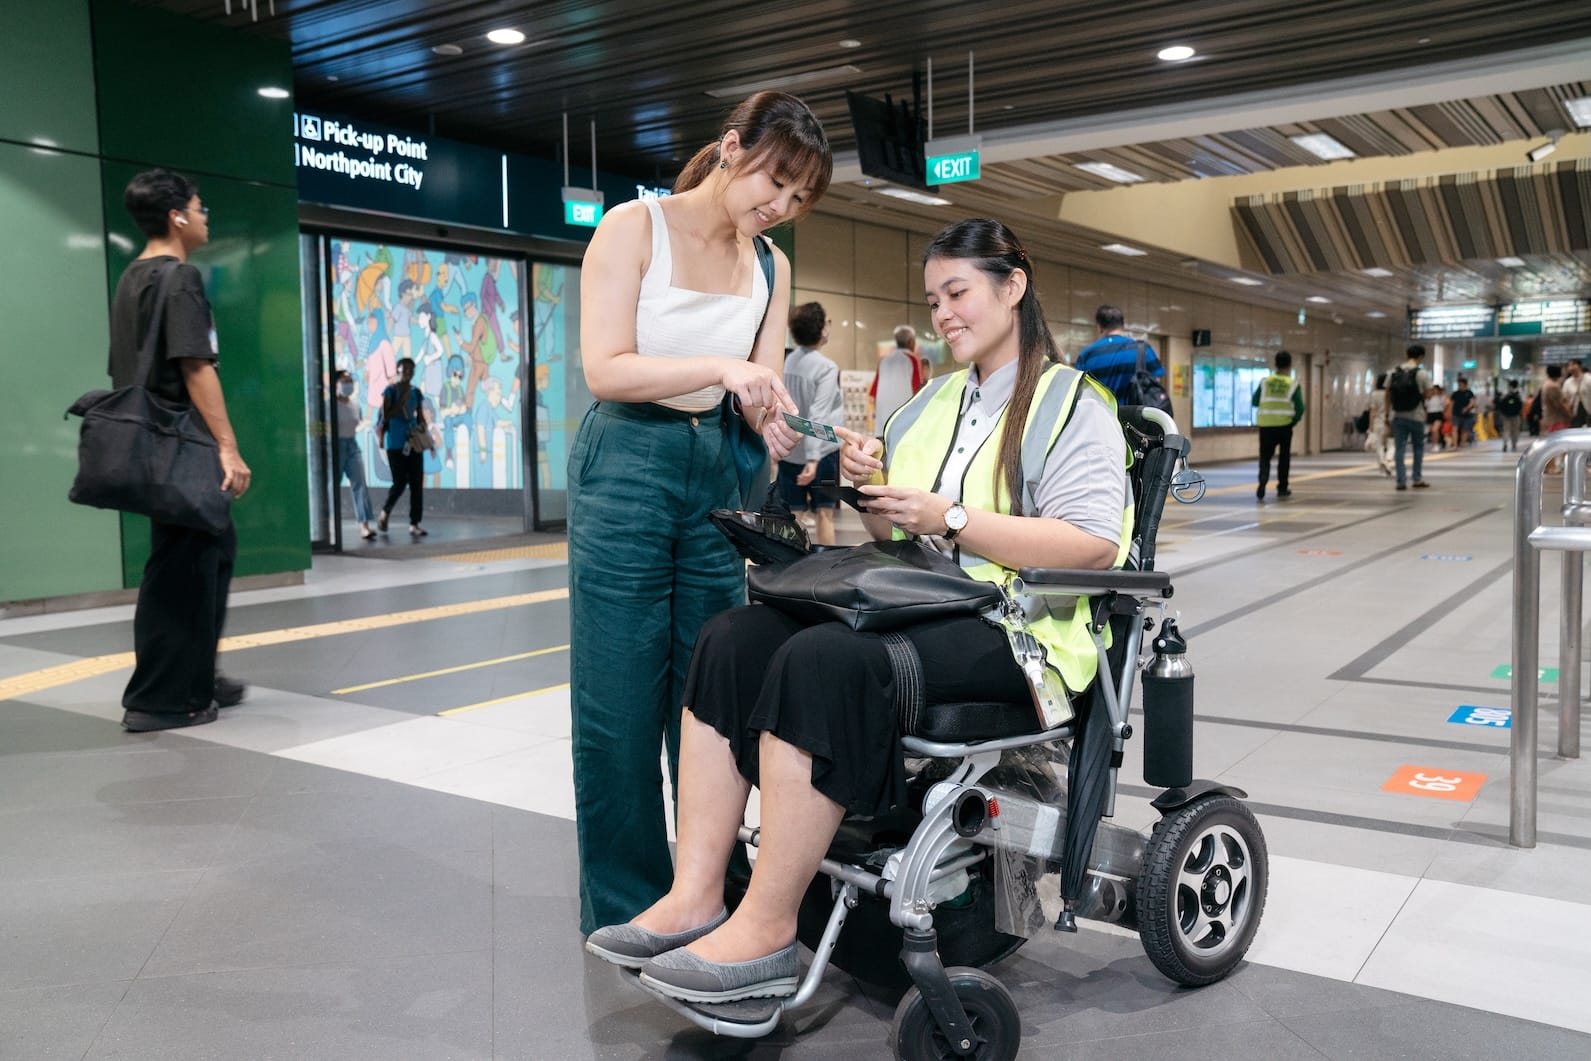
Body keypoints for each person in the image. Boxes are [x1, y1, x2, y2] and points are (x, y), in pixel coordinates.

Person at [584, 217, 1128, 1001]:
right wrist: (871, 487)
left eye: (958, 293)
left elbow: (1089, 546)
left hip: (1018, 635)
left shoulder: (1071, 403)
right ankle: (697, 894)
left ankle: (768, 928)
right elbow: (888, 534)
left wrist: (949, 517)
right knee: (732, 636)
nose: (943, 313)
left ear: (1012, 288)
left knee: (821, 658)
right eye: (933, 298)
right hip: (925, 608)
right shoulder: (931, 402)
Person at [568, 91, 832, 936]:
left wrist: (798, 434)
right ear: (730, 147)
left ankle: (706, 884)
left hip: (714, 463)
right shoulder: (631, 227)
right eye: (775, 182)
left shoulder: (769, 265)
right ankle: (626, 900)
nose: (779, 207)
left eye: (797, 199)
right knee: (617, 694)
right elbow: (605, 369)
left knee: (712, 683)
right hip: (626, 459)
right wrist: (721, 366)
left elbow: (758, 395)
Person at [109, 169, 251, 733]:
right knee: (183, 566)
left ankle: (198, 674)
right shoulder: (180, 277)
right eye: (200, 206)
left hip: (148, 440)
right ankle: (160, 698)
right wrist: (227, 447)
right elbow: (195, 365)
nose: (205, 214)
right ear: (177, 217)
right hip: (181, 442)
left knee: (206, 551)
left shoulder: (132, 278)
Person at [776, 302, 843, 545]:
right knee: (825, 514)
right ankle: (827, 570)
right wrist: (813, 459)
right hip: (822, 456)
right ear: (821, 328)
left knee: (794, 516)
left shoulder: (785, 362)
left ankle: (792, 571)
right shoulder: (826, 368)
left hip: (789, 453)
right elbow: (818, 416)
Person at [376, 356, 428, 537]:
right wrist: (401, 400)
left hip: (413, 442)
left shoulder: (416, 392)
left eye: (410, 370)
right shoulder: (390, 391)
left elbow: (420, 416)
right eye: (403, 369)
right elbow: (387, 415)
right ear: (397, 370)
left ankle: (415, 522)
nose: (406, 373)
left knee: (416, 482)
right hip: (396, 443)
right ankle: (385, 512)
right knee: (400, 481)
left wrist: (425, 437)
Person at [1074, 304, 1163, 405]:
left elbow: (1079, 389)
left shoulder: (1087, 354)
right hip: (1135, 417)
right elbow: (1155, 380)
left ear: (1099, 327)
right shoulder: (1143, 349)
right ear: (1122, 325)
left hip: (1101, 418)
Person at [1253, 350, 1304, 500]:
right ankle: (1282, 487)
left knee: (1265, 456)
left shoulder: (1265, 382)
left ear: (1275, 364)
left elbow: (1255, 401)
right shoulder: (1292, 384)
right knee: (1284, 458)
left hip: (1266, 426)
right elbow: (1300, 408)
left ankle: (1263, 480)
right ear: (1289, 365)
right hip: (1284, 426)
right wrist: (1293, 421)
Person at [333, 370, 377, 539]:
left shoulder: (355, 405)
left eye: (350, 381)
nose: (348, 384)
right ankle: (321, 525)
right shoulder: (329, 405)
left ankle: (364, 525)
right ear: (336, 383)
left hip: (352, 445)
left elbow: (356, 423)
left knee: (360, 484)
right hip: (335, 446)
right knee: (331, 487)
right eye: (344, 381)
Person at [1390, 344, 1432, 491]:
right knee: (1418, 448)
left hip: (1398, 416)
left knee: (1399, 448)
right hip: (1416, 415)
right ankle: (1416, 478)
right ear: (1420, 356)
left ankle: (1400, 481)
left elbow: (1387, 395)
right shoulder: (1422, 373)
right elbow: (1428, 394)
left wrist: (1386, 415)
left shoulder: (1394, 372)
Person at [869, 324, 924, 431]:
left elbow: (874, 393)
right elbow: (918, 390)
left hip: (882, 424)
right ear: (910, 341)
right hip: (903, 422)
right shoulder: (912, 359)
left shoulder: (884, 360)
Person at [1365, 373, 1393, 476]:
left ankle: (1383, 461)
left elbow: (1372, 411)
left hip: (1377, 422)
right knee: (1391, 443)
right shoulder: (1392, 394)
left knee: (1379, 445)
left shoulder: (1374, 394)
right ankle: (1388, 459)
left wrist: (1370, 426)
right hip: (1389, 421)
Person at [1497, 379, 1524, 452]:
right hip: (1516, 415)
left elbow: (1501, 404)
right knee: (1515, 430)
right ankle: (1514, 445)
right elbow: (1521, 405)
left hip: (1506, 415)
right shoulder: (1519, 394)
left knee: (1506, 429)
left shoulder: (1505, 393)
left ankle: (1505, 443)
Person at [1450, 376, 1476, 448]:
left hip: (1467, 415)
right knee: (1454, 428)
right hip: (1456, 413)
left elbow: (1472, 402)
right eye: (1459, 384)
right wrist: (1450, 413)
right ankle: (1455, 445)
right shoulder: (1455, 393)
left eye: (1461, 384)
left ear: (1465, 384)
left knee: (1465, 430)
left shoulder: (1469, 393)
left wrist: (1467, 408)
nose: (1460, 386)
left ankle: (1462, 444)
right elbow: (1451, 404)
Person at [1425, 384, 1447, 448]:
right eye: (1433, 390)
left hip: (1438, 414)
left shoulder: (1441, 397)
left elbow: (1445, 405)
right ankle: (1434, 443)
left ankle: (1436, 444)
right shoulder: (1428, 398)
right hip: (1430, 414)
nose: (1435, 391)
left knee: (1435, 429)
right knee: (1432, 430)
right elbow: (1427, 407)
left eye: (1436, 390)